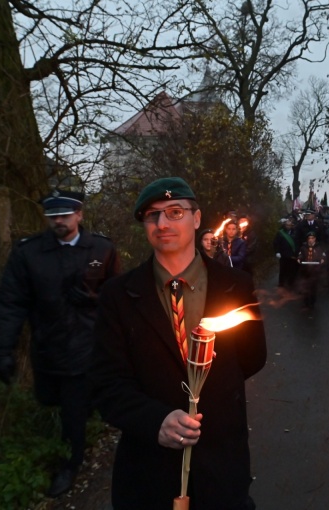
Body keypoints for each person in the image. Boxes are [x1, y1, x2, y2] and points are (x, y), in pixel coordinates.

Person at [89, 177, 267, 510]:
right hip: (149, 471)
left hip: (221, 464)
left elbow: (253, 357)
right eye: (152, 215)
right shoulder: (118, 296)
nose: (162, 223)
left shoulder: (236, 285)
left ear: (196, 219)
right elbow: (106, 383)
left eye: (175, 212)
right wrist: (154, 419)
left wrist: (208, 391)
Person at [0, 189, 121, 497]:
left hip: (87, 348)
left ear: (79, 215)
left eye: (64, 215)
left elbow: (118, 296)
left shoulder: (101, 249)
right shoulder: (29, 253)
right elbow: (11, 303)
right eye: (52, 216)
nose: (58, 221)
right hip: (48, 346)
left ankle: (71, 463)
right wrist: (2, 349)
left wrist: (95, 299)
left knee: (73, 410)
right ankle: (80, 423)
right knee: (49, 398)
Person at [296, 232, 325, 309]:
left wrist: (322, 259)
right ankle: (305, 302)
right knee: (305, 286)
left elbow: (322, 255)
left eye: (312, 238)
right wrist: (299, 258)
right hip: (305, 270)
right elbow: (300, 254)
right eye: (309, 238)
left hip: (315, 270)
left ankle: (312, 302)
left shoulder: (319, 247)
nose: (310, 240)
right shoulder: (303, 247)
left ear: (315, 239)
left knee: (313, 287)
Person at [273, 217, 299, 289]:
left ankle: (291, 283)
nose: (288, 226)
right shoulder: (280, 233)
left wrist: (298, 252)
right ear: (284, 225)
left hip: (293, 255)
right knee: (283, 270)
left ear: (291, 226)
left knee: (292, 270)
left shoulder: (295, 233)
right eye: (287, 225)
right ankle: (281, 283)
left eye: (289, 225)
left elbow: (297, 243)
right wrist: (277, 252)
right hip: (283, 255)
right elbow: (276, 243)